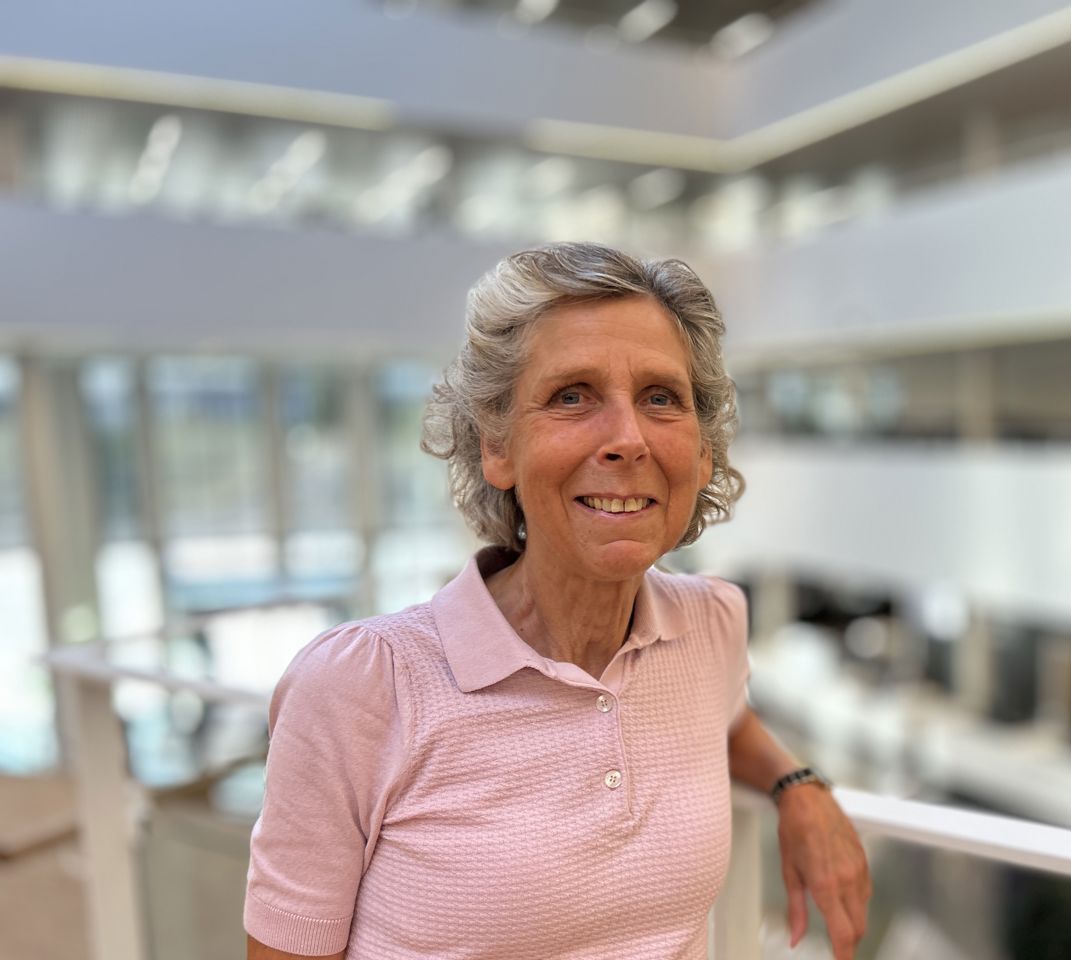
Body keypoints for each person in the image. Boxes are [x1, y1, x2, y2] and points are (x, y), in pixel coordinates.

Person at [244, 242, 871, 959]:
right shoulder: (357, 687)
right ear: (497, 447)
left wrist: (797, 785)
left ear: (702, 453)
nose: (628, 439)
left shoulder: (711, 623)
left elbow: (723, 719)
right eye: (572, 396)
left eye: (660, 398)